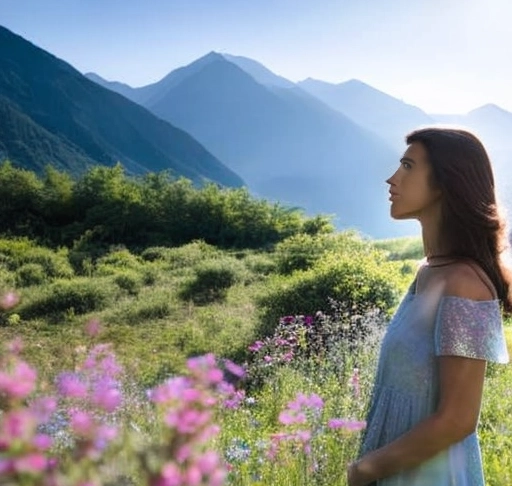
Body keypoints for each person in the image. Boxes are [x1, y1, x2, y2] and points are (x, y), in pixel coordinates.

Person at [347, 127, 511, 486]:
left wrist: (365, 470)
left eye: (407, 166)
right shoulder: (427, 271)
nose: (392, 178)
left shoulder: (464, 285)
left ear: (444, 183)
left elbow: (458, 418)